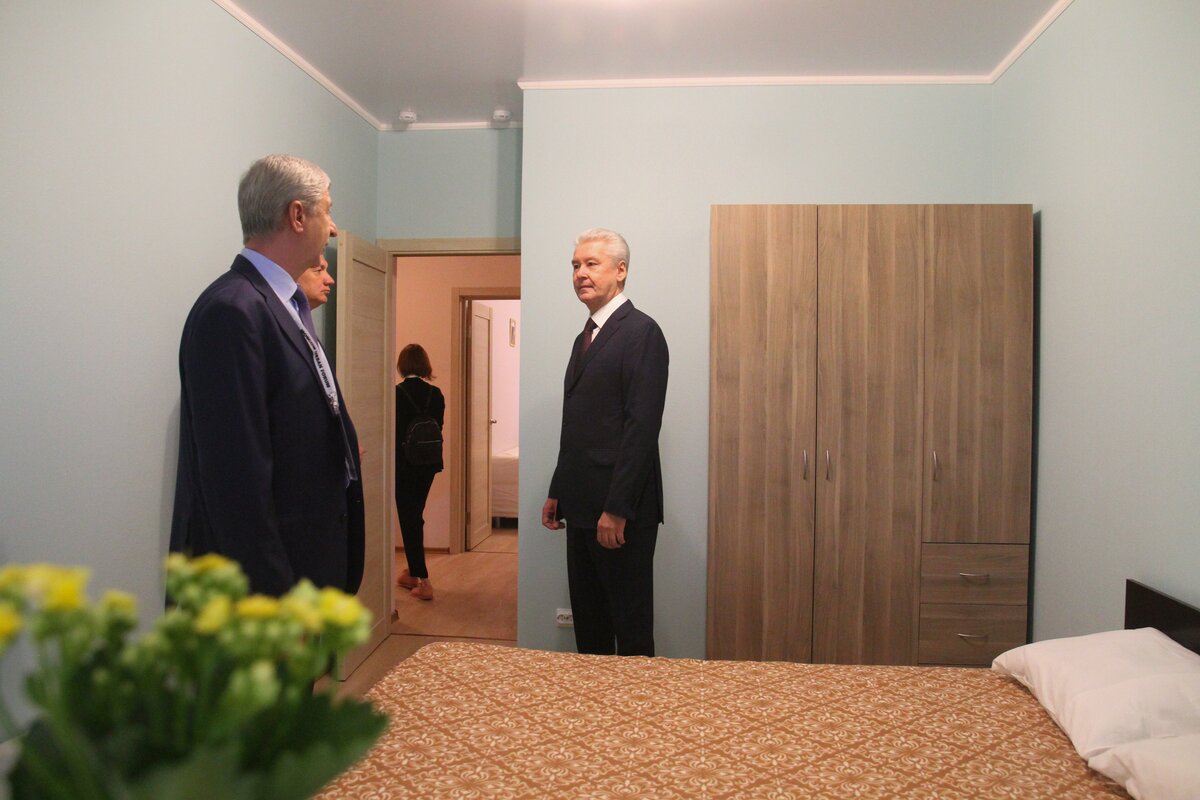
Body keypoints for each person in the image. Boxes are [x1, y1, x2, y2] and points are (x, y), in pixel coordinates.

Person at [171, 154, 365, 597]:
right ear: (297, 216)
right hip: (273, 589)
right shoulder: (233, 310)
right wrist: (276, 603)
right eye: (327, 210)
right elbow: (236, 481)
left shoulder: (286, 305)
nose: (334, 228)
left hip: (308, 568)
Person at [541, 228, 669, 656]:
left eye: (591, 264)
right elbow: (577, 424)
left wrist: (617, 509)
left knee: (630, 630)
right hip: (579, 505)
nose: (580, 273)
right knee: (590, 627)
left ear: (621, 270)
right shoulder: (585, 337)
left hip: (619, 512)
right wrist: (558, 489)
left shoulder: (642, 332)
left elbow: (641, 428)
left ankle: (637, 703)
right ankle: (593, 701)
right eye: (575, 265)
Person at [394, 344, 445, 601]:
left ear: (402, 365)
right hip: (429, 464)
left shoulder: (396, 394)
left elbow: (394, 433)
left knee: (409, 517)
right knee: (415, 514)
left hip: (404, 465)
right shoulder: (435, 394)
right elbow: (439, 426)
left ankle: (423, 581)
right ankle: (412, 572)